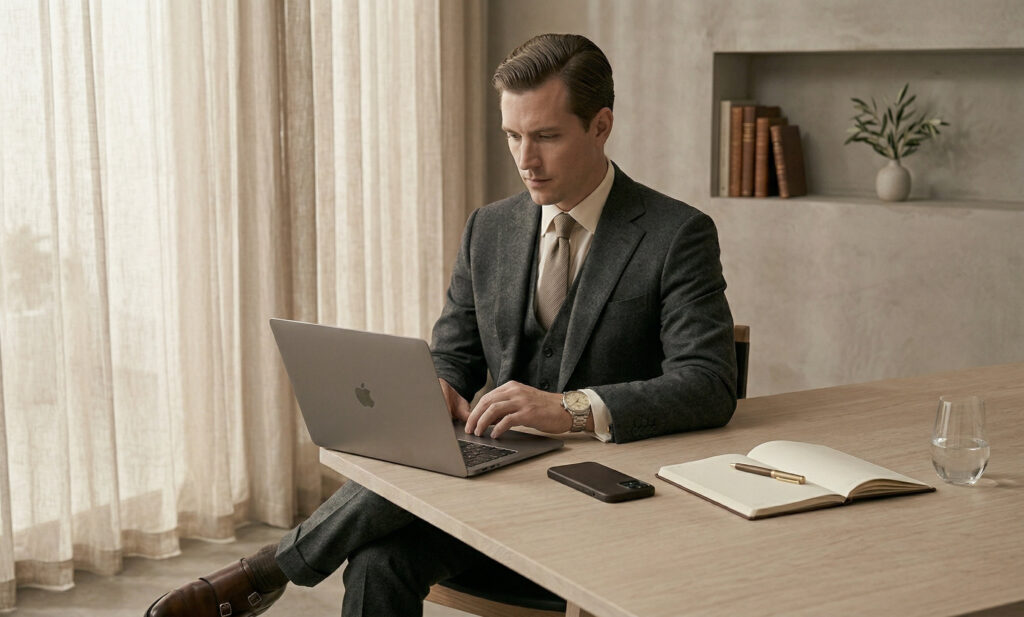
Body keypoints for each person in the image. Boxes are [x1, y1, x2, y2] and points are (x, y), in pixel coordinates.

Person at [146, 33, 736, 617]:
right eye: (512, 136)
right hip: (490, 489)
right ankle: (267, 572)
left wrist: (569, 408)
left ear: (601, 125)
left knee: (383, 545)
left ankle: (265, 572)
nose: (525, 160)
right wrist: (439, 386)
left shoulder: (675, 235)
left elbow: (708, 383)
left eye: (546, 137)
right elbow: (455, 353)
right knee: (378, 564)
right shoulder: (490, 228)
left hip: (598, 504)